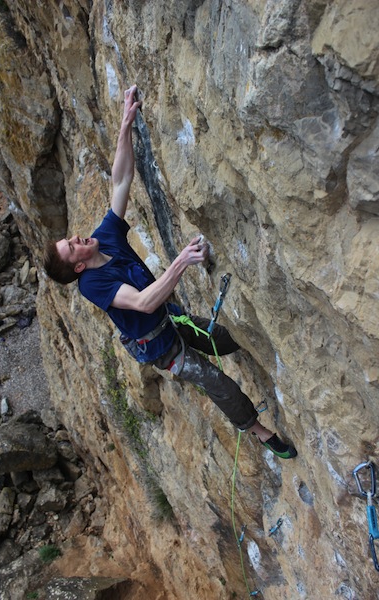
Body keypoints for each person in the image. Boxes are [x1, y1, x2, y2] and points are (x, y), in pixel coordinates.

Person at [44, 85, 297, 460]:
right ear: (78, 266)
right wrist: (182, 261)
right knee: (216, 381)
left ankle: (247, 354)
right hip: (159, 345)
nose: (79, 237)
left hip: (169, 317)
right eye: (73, 246)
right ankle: (258, 432)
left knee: (225, 339)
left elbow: (120, 181)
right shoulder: (93, 284)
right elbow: (144, 303)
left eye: (71, 238)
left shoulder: (104, 238)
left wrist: (125, 123)